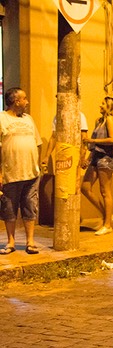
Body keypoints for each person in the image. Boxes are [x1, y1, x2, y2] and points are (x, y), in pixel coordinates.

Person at [0, 87, 43, 255]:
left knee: (30, 207)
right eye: (24, 99)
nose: (27, 102)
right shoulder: (2, 119)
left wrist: (38, 165)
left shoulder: (29, 119)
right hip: (11, 173)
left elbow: (37, 143)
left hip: (31, 173)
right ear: (16, 101)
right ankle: (11, 242)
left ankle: (30, 242)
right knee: (9, 208)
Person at [81, 96, 113, 236]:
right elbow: (94, 144)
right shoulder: (99, 121)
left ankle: (107, 224)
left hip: (106, 158)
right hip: (96, 156)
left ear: (109, 106)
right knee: (85, 187)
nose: (100, 105)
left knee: (105, 190)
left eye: (103, 103)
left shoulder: (110, 120)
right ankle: (107, 214)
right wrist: (89, 157)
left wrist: (92, 140)